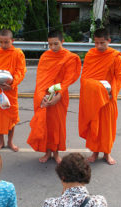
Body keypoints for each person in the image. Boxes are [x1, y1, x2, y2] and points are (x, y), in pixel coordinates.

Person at [27, 30, 81, 164]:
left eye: (56, 44)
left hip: (60, 97)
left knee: (57, 126)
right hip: (45, 96)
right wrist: (41, 97)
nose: (52, 47)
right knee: (46, 125)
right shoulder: (45, 56)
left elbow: (68, 79)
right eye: (50, 44)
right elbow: (40, 79)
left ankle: (56, 153)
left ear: (62, 42)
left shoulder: (70, 57)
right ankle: (47, 152)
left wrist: (59, 95)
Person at [79, 28, 121, 165]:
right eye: (96, 43)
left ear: (109, 41)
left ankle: (107, 153)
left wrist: (113, 92)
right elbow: (85, 77)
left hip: (108, 98)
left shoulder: (115, 56)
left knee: (107, 128)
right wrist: (94, 88)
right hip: (94, 97)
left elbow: (120, 77)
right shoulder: (90, 55)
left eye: (102, 43)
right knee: (95, 126)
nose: (98, 46)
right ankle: (95, 152)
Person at [0, 29, 26, 152]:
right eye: (1, 42)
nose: (3, 45)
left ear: (12, 41)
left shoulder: (18, 53)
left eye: (6, 42)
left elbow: (21, 71)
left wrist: (12, 84)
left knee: (11, 119)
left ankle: (10, 142)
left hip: (10, 90)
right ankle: (1, 141)